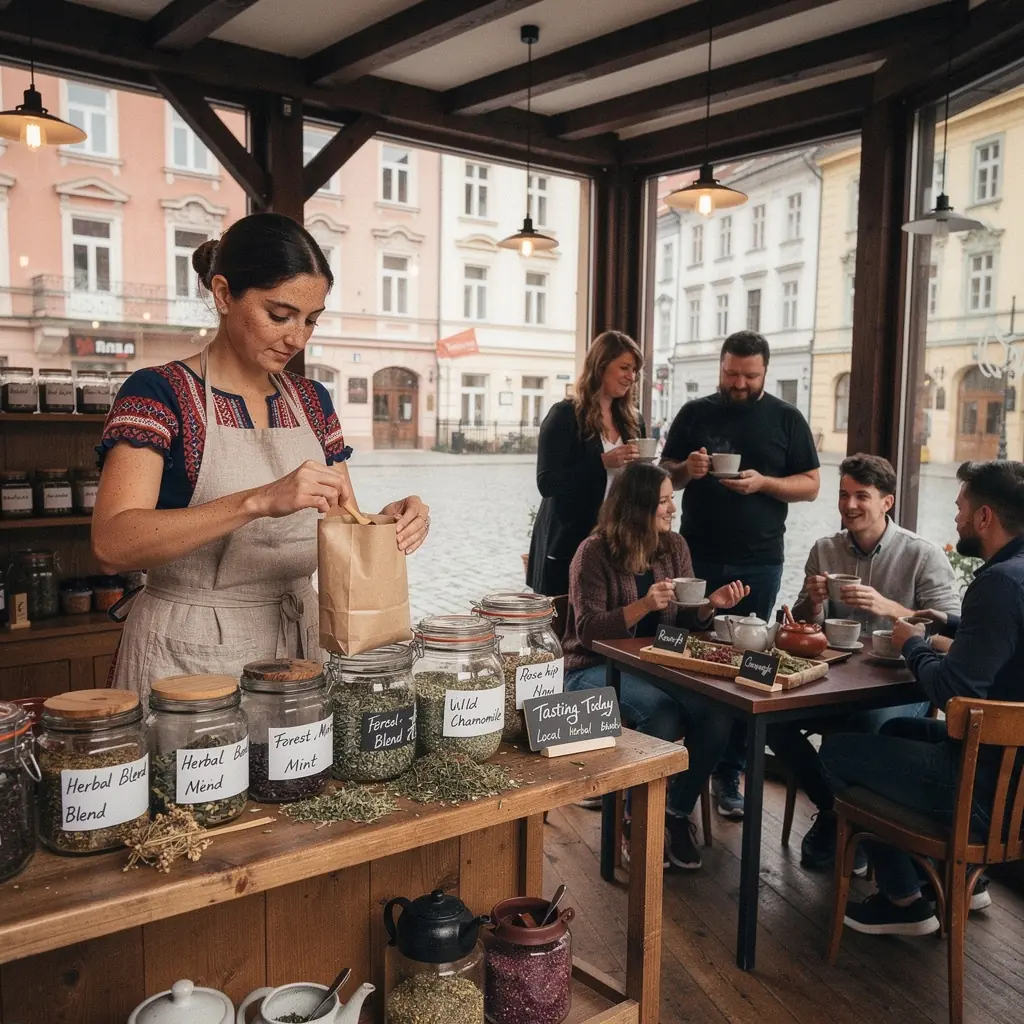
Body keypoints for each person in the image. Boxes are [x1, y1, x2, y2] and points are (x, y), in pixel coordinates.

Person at [93, 213, 429, 698]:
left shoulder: (312, 400)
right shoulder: (157, 393)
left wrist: (385, 522)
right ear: (223, 294)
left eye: (310, 320)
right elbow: (112, 544)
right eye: (280, 315)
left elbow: (341, 522)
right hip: (188, 654)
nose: (298, 338)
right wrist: (258, 501)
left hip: (300, 648)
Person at [821, 460, 1024, 936]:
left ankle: (905, 898)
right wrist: (947, 623)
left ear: (985, 517)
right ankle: (950, 879)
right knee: (896, 729)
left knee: (836, 753)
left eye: (961, 509)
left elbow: (952, 692)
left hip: (982, 790)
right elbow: (1002, 641)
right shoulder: (1015, 576)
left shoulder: (998, 584)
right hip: (1014, 781)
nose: (956, 518)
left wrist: (911, 642)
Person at [769, 453, 961, 869]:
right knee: (773, 723)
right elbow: (799, 621)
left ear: (887, 502)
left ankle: (852, 829)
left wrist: (889, 608)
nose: (850, 505)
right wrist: (812, 603)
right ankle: (837, 812)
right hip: (837, 682)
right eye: (843, 495)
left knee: (865, 728)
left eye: (861, 496)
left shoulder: (922, 554)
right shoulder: (825, 549)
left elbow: (951, 635)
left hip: (900, 685)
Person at [660, 330, 820, 819]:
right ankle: (678, 764)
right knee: (687, 655)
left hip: (759, 560)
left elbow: (812, 485)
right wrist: (686, 470)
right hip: (696, 557)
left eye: (749, 375)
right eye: (731, 373)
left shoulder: (786, 418)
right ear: (722, 367)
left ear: (765, 371)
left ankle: (727, 772)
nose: (739, 383)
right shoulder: (695, 413)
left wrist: (764, 483)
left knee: (747, 666)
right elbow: (665, 476)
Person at [560, 461, 749, 869]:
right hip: (589, 669)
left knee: (719, 712)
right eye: (664, 501)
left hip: (654, 666)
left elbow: (684, 624)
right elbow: (588, 632)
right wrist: (643, 605)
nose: (672, 508)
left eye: (671, 500)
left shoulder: (674, 547)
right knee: (661, 714)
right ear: (637, 506)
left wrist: (709, 607)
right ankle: (635, 820)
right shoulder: (593, 552)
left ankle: (674, 812)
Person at [528, 331, 645, 597]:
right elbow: (547, 483)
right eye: (624, 368)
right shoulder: (565, 415)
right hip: (569, 544)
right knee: (567, 619)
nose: (631, 376)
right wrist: (601, 462)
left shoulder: (633, 420)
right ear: (601, 366)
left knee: (610, 618)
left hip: (617, 544)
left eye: (634, 370)